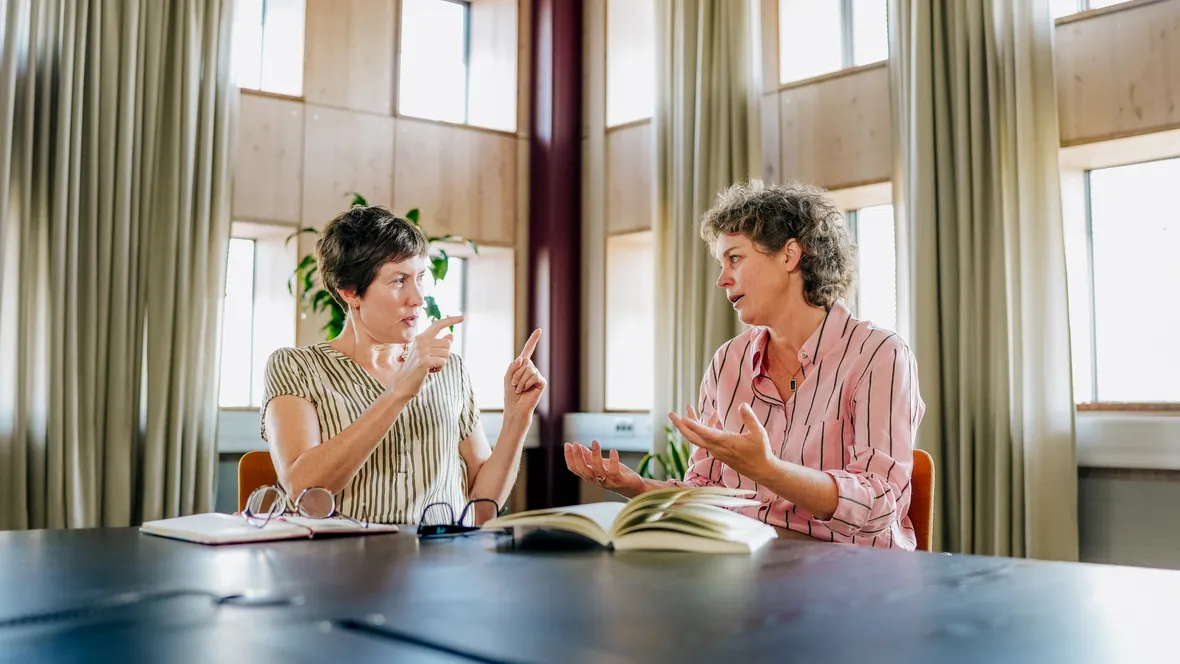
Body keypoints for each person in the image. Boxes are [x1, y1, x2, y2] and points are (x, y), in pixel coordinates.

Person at [565, 181, 924, 549]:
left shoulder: (879, 354)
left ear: (789, 255)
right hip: (749, 567)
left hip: (852, 577)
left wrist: (769, 471)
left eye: (734, 258)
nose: (722, 279)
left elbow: (880, 503)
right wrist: (637, 487)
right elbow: (705, 490)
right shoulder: (727, 362)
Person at [261, 205, 545, 525]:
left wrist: (517, 419)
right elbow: (304, 490)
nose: (418, 298)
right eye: (399, 280)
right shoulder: (296, 367)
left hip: (444, 563)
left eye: (420, 277)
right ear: (350, 292)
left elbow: (480, 509)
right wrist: (398, 392)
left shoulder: (451, 369)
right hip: (342, 564)